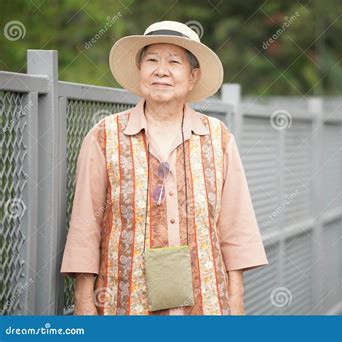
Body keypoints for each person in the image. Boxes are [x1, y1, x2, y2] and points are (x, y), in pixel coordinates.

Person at [60, 20, 268, 315]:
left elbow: (235, 227)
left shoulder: (218, 137)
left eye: (174, 62)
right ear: (140, 69)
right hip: (125, 303)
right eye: (152, 61)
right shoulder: (105, 136)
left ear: (193, 76)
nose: (161, 71)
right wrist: (83, 302)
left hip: (204, 307)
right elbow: (85, 226)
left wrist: (235, 303)